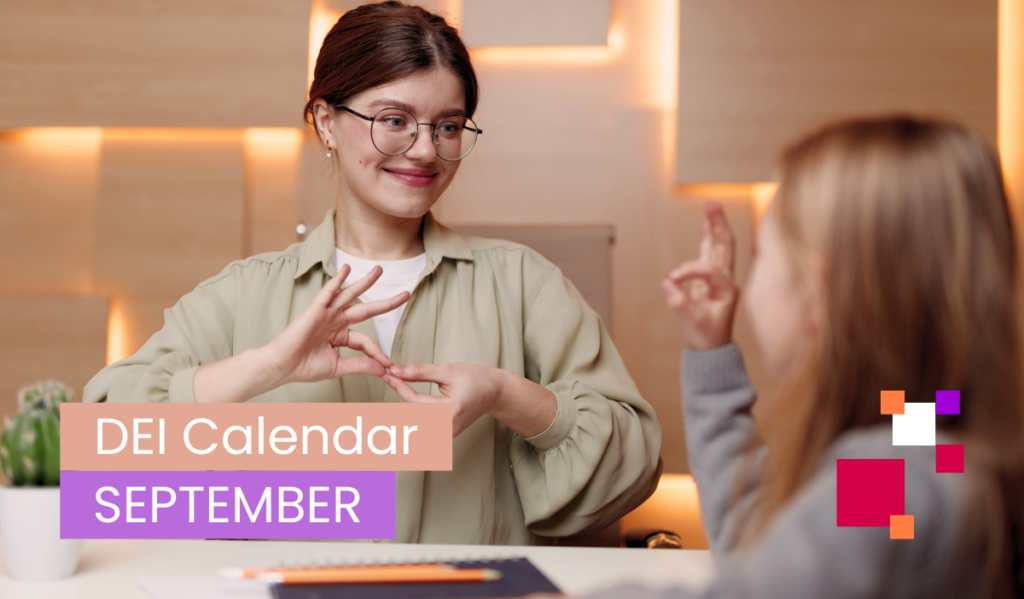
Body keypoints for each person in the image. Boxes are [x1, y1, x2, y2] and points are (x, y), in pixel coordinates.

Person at [83, 1, 662, 545]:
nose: (425, 151)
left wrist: (505, 394)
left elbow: (633, 468)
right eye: (394, 120)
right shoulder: (239, 294)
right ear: (326, 122)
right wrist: (266, 367)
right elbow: (99, 454)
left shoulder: (525, 285)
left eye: (448, 126)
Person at [586, 116, 1024, 597]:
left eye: (762, 254)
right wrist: (711, 355)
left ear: (819, 290)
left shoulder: (897, 481)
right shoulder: (939, 440)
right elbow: (767, 545)